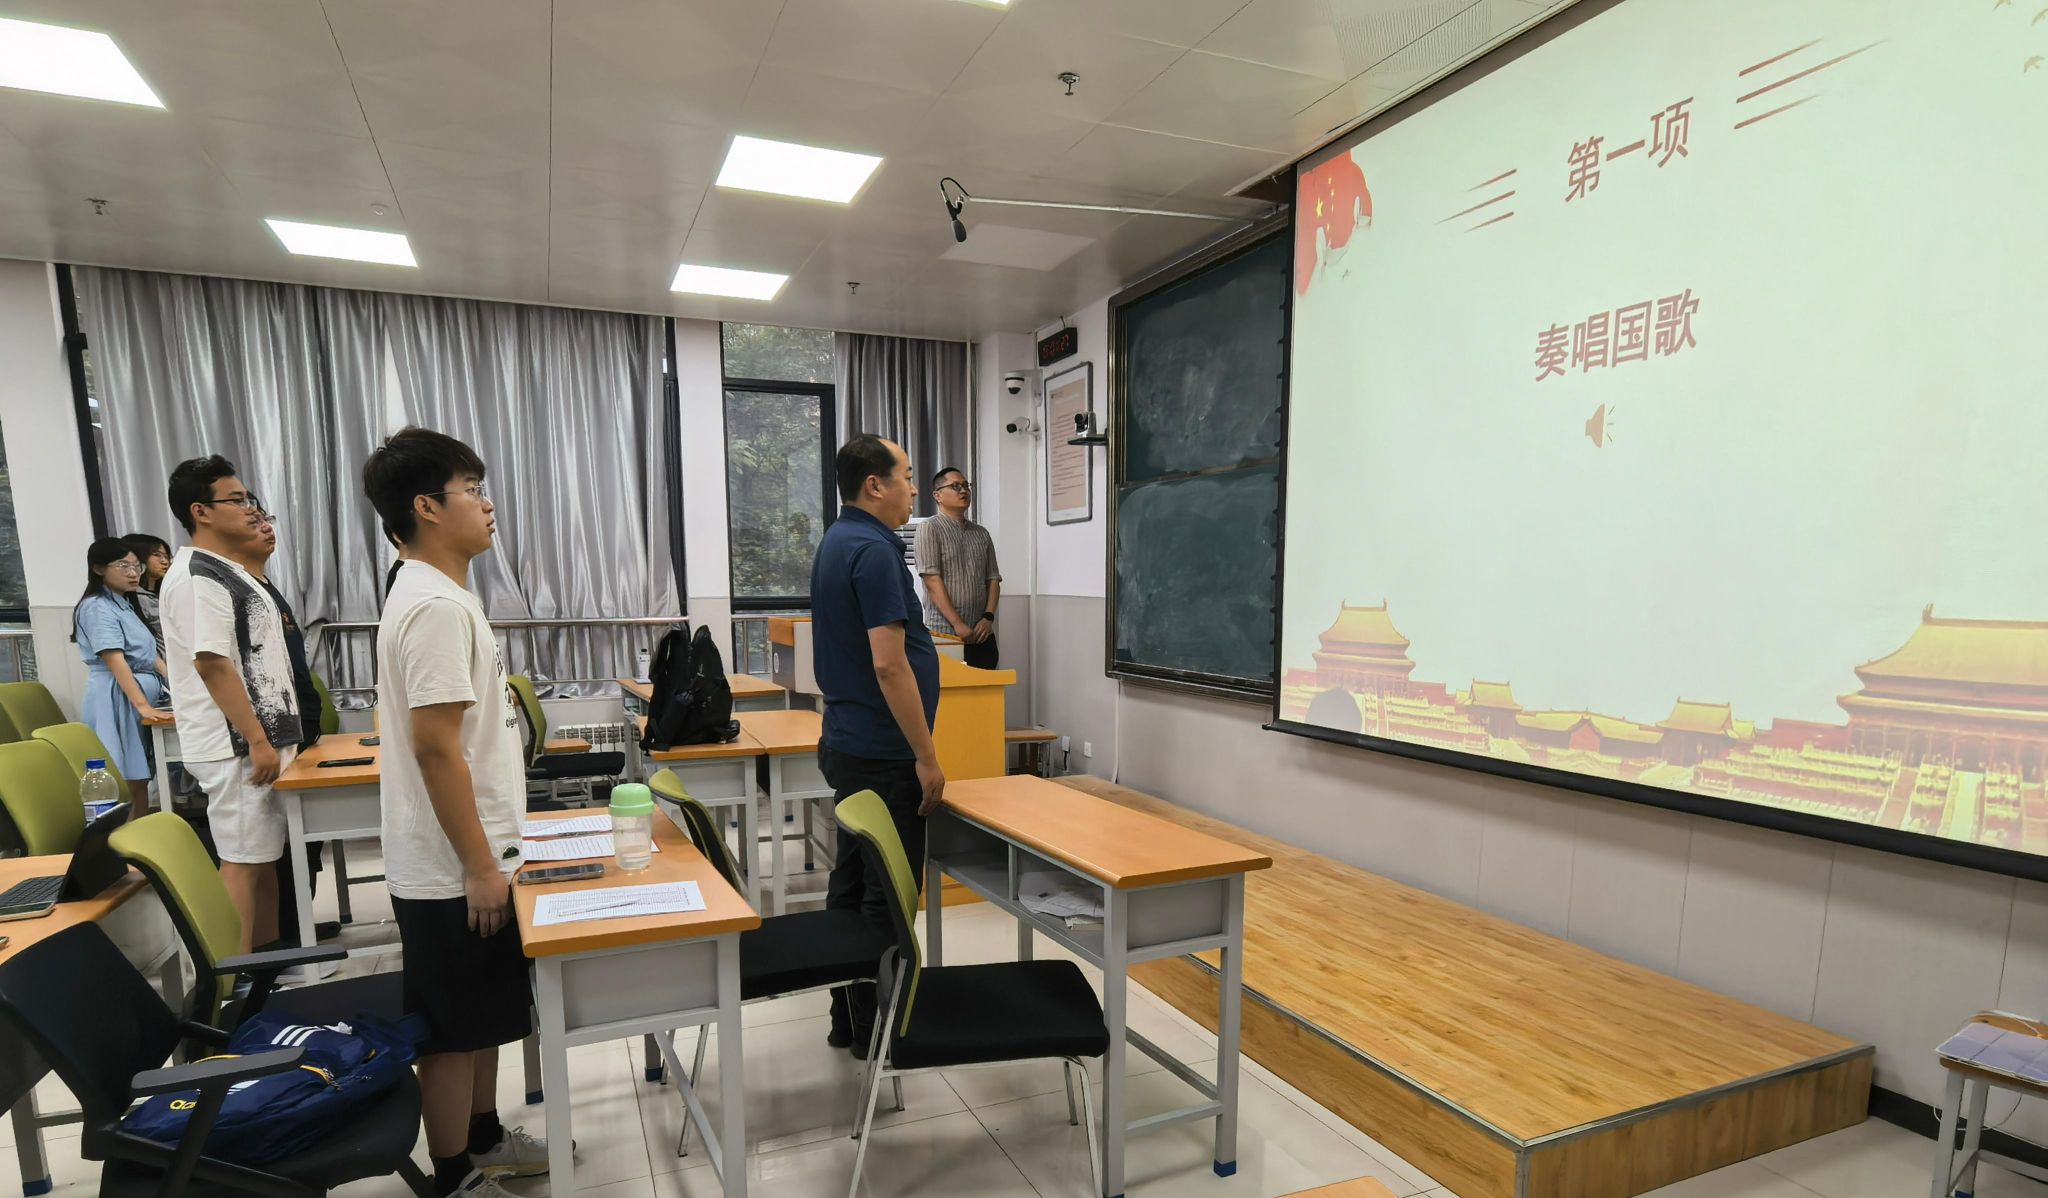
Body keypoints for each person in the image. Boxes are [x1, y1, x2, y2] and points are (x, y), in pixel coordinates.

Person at [363, 427, 547, 1196]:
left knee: (482, 1018)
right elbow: (437, 749)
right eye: (472, 490)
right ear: (427, 507)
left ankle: (483, 1138)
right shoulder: (434, 606)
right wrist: (477, 866)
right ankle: (452, 1177)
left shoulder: (443, 595)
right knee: (449, 1031)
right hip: (452, 867)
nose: (487, 503)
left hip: (477, 856)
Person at [811, 435, 943, 1054]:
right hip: (884, 752)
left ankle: (849, 1018)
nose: (915, 490)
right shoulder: (873, 550)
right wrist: (926, 756)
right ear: (875, 485)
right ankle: (879, 1030)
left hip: (850, 742)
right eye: (908, 477)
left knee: (852, 882)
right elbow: (890, 665)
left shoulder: (840, 540)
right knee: (886, 895)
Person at [160, 456, 301, 956]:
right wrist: (258, 740)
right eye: (236, 500)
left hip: (255, 741)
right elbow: (212, 663)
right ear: (200, 511)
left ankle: (266, 964)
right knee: (242, 862)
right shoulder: (198, 576)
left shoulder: (228, 571)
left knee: (263, 859)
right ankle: (233, 979)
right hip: (236, 745)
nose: (249, 508)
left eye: (248, 499)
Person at [71, 538, 169, 809]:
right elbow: (116, 661)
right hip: (116, 696)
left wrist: (175, 684)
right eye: (123, 566)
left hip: (133, 694)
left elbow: (150, 655)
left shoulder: (124, 603)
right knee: (125, 775)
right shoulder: (96, 607)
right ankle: (125, 831)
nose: (133, 573)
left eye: (136, 566)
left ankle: (140, 826)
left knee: (140, 774)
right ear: (99, 568)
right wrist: (143, 705)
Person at [914, 466, 1003, 670]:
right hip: (945, 634)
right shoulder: (929, 528)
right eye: (955, 486)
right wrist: (957, 623)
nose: (963, 491)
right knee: (948, 690)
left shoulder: (981, 533)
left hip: (982, 634)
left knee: (986, 688)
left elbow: (993, 579)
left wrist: (988, 617)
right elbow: (931, 579)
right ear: (937, 496)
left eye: (965, 486)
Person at [121, 532, 172, 655]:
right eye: (156, 555)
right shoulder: (133, 598)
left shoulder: (165, 593)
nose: (164, 561)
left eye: (166, 556)